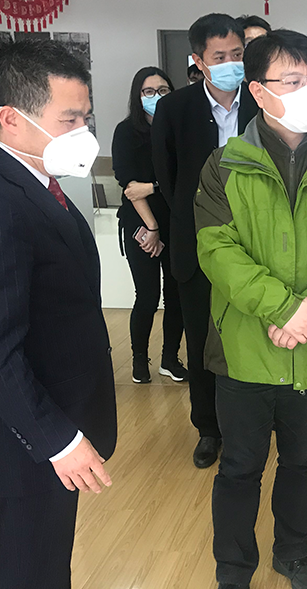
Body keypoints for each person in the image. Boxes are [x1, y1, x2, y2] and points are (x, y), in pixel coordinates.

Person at [195, 29, 307, 589]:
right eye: (293, 80)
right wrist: (282, 309)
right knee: (240, 465)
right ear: (257, 90)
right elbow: (218, 252)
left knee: (303, 459)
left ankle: (293, 554)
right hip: (247, 347)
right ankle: (234, 568)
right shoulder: (225, 165)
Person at [0, 40, 117, 588]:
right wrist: (58, 440)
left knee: (47, 568)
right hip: (18, 446)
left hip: (50, 422)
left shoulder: (36, 182)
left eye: (86, 117)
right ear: (12, 118)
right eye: (69, 119)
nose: (83, 132)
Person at [152, 13, 260, 469]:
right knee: (201, 343)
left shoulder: (262, 102)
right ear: (198, 61)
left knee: (252, 338)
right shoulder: (175, 109)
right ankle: (208, 429)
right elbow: (167, 178)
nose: (231, 63)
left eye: (238, 54)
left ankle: (248, 427)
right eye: (220, 57)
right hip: (197, 246)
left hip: (257, 246)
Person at [113, 66, 189, 385]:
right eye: (148, 91)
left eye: (163, 90)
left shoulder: (180, 128)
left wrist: (153, 186)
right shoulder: (126, 132)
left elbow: (186, 177)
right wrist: (152, 228)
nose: (156, 96)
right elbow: (131, 188)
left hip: (176, 223)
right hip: (140, 224)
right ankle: (139, 359)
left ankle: (170, 359)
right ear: (138, 95)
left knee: (176, 295)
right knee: (147, 295)